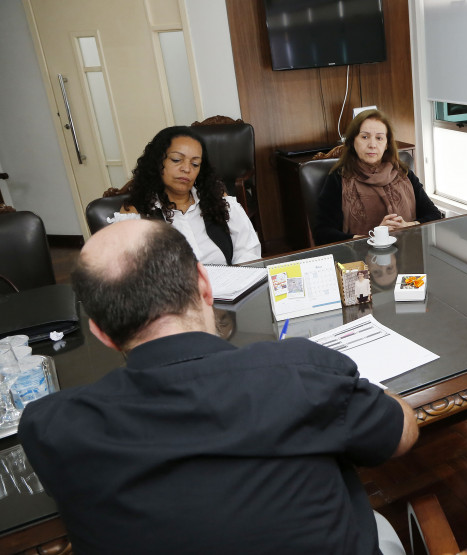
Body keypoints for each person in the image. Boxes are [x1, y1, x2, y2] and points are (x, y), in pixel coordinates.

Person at [18, 219, 418, 555]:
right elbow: (400, 432)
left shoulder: (51, 428)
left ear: (101, 333)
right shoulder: (300, 371)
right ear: (205, 285)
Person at [117, 126, 261, 264]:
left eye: (195, 164)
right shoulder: (136, 212)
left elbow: (247, 250)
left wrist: (238, 277)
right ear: (157, 162)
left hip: (230, 280)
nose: (187, 169)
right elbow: (131, 271)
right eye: (176, 160)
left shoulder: (217, 199)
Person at [313, 109, 442, 245]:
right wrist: (374, 236)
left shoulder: (403, 173)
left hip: (408, 250)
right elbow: (322, 233)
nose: (372, 145)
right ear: (352, 141)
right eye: (365, 137)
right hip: (360, 255)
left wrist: (407, 226)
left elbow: (434, 215)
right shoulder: (338, 178)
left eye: (379, 138)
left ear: (387, 144)